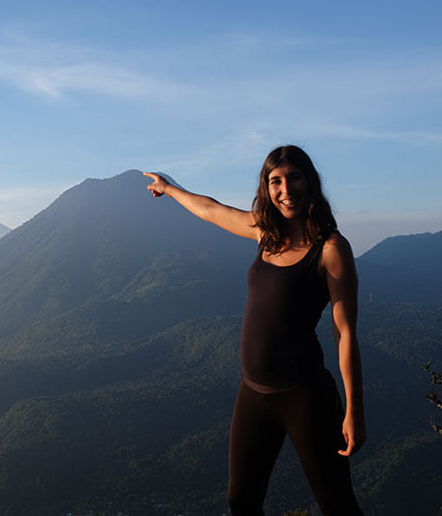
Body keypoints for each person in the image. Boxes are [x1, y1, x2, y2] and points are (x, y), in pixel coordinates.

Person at [144, 145, 365, 515]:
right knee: (241, 501)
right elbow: (212, 210)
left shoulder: (330, 249)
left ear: (309, 182)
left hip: (305, 396)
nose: (286, 189)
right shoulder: (266, 233)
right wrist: (168, 189)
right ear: (267, 188)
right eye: (276, 181)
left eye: (294, 178)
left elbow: (345, 334)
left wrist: (354, 410)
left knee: (337, 504)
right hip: (253, 394)